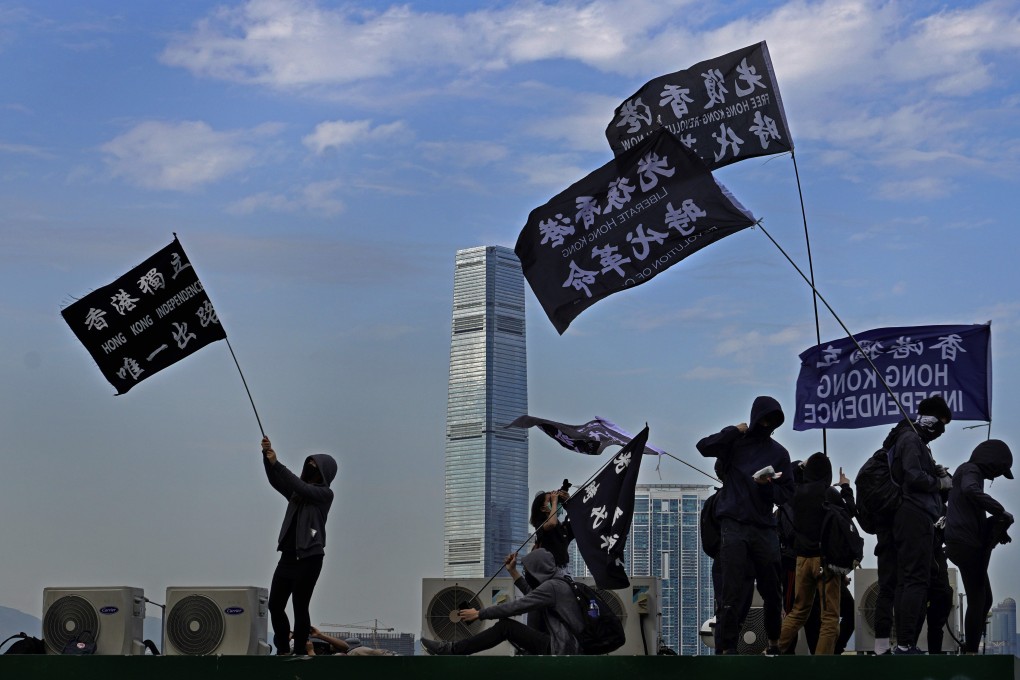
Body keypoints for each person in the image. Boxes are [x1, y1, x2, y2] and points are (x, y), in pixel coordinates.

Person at [697, 396, 794, 655]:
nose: (766, 424)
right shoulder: (735, 443)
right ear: (753, 418)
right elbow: (704, 447)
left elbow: (787, 494)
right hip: (733, 525)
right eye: (763, 418)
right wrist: (733, 431)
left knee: (772, 590)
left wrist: (769, 486)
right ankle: (726, 649)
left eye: (771, 421)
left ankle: (774, 643)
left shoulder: (779, 453)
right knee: (731, 592)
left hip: (764, 527)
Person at [873, 395, 952, 655]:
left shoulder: (911, 439)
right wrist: (939, 483)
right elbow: (913, 476)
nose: (942, 430)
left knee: (913, 580)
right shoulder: (910, 438)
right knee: (914, 580)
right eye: (941, 423)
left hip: (915, 516)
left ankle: (906, 644)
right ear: (929, 418)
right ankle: (905, 645)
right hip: (914, 515)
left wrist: (934, 472)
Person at [420, 548, 584, 656]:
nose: (527, 574)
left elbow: (519, 606)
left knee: (506, 627)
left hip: (561, 648)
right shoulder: (560, 582)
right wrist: (513, 572)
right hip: (566, 645)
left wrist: (480, 613)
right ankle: (452, 649)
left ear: (538, 570)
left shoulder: (553, 587)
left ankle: (451, 650)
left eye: (529, 571)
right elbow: (532, 596)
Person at [262, 436, 338, 656]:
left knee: (300, 606)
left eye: (314, 466)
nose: (309, 468)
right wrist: (267, 458)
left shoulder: (324, 494)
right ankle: (284, 648)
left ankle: (300, 651)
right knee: (275, 605)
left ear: (325, 473)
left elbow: (297, 484)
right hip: (287, 556)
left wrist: (278, 463)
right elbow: (276, 481)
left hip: (309, 557)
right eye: (308, 465)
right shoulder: (297, 493)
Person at [777, 453, 856, 655]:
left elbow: (789, 478)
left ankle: (776, 648)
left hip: (802, 560)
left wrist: (801, 467)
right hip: (826, 560)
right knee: (829, 617)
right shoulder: (829, 493)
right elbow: (850, 512)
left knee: (798, 612)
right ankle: (822, 664)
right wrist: (846, 487)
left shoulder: (796, 494)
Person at [945, 439, 1014, 654]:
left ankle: (971, 646)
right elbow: (969, 489)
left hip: (968, 540)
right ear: (991, 462)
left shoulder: (970, 471)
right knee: (977, 598)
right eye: (998, 470)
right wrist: (999, 509)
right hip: (964, 542)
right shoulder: (970, 470)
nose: (994, 477)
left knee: (986, 599)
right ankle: (972, 651)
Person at [530, 485, 574, 574]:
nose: (555, 502)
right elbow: (552, 523)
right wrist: (554, 502)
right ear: (543, 508)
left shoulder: (562, 527)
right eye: (550, 500)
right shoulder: (540, 525)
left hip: (564, 570)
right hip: (548, 571)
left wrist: (569, 503)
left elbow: (578, 521)